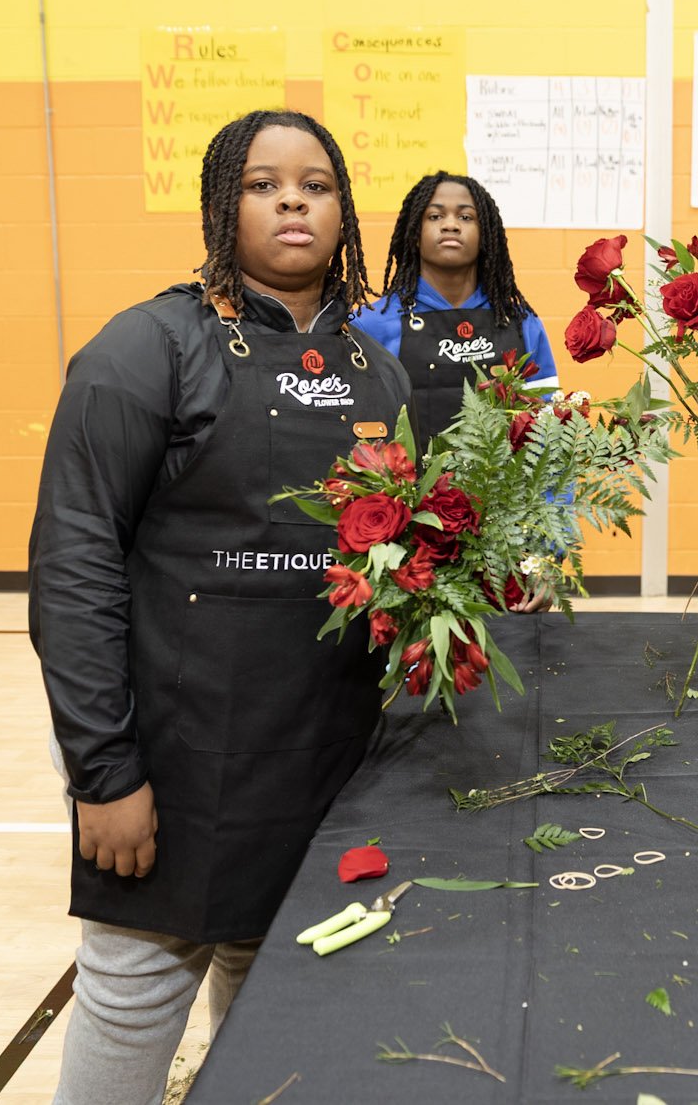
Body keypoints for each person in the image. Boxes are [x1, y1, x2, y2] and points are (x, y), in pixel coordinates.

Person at [28, 110, 409, 1105]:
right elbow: (73, 567)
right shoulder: (143, 349)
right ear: (220, 204)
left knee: (274, 999)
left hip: (318, 758)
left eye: (316, 184)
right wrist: (102, 774)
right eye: (262, 183)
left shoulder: (379, 373)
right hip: (172, 759)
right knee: (130, 991)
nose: (293, 199)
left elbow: (392, 568)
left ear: (342, 209)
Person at [351, 170, 560, 449]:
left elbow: (550, 430)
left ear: (485, 234)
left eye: (465, 217)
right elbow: (358, 430)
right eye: (435, 216)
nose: (450, 225)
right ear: (414, 233)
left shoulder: (522, 323)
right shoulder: (371, 324)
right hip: (411, 492)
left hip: (507, 491)